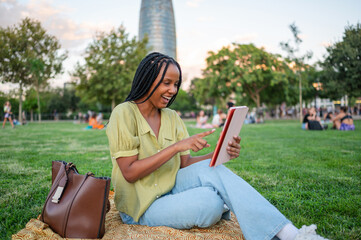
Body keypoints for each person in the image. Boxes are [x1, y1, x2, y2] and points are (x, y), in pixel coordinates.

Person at [106, 52, 327, 240]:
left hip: (170, 186)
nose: (173, 90)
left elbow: (185, 164)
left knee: (215, 170)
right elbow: (130, 172)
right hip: (141, 206)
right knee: (210, 203)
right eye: (167, 83)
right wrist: (176, 147)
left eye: (175, 84)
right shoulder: (124, 113)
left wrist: (220, 154)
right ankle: (224, 199)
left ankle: (292, 234)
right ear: (148, 79)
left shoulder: (172, 117)